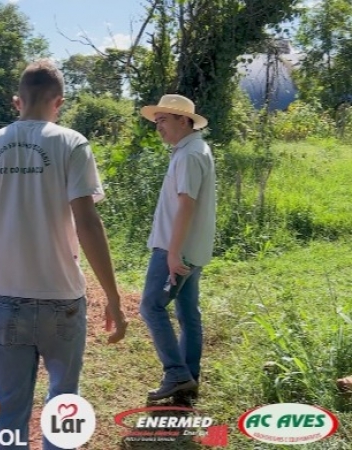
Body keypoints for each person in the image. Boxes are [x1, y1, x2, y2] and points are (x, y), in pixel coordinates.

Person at [0, 59, 128, 450]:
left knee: (9, 414)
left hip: (7, 300)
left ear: (18, 101)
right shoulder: (71, 143)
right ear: (59, 102)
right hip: (62, 299)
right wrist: (113, 297)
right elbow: (88, 222)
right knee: (64, 401)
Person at [138, 94, 216, 401]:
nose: (158, 128)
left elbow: (186, 204)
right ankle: (189, 378)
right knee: (187, 312)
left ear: (184, 121)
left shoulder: (188, 155)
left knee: (151, 307)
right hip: (189, 247)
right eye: (156, 122)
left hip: (176, 249)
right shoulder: (194, 150)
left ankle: (177, 374)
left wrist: (172, 252)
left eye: (163, 121)